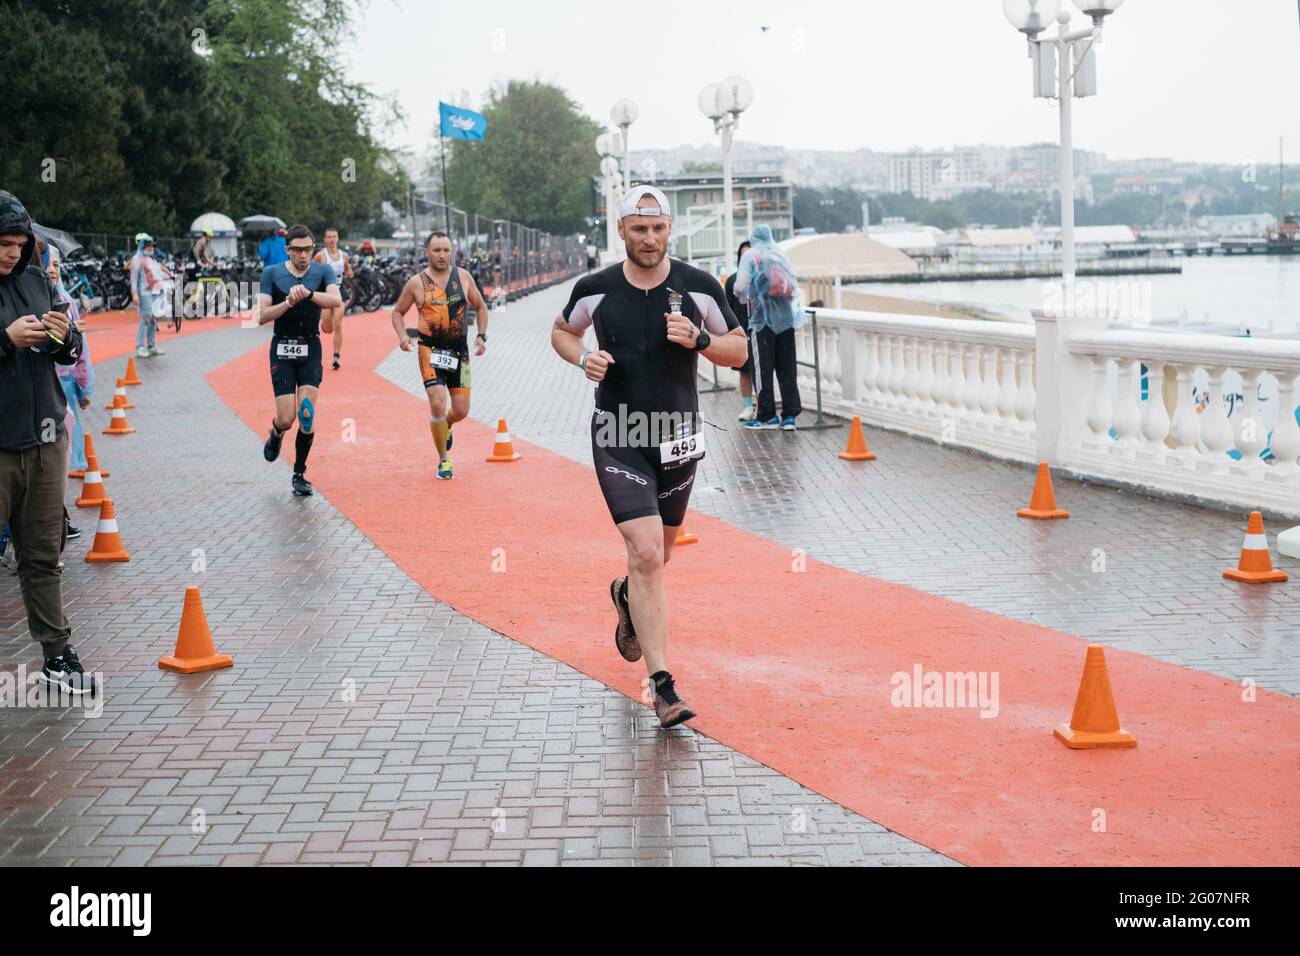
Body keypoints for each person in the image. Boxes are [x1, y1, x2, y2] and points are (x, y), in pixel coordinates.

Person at [550, 185, 747, 729]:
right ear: (621, 231)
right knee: (644, 551)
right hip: (619, 432)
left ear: (670, 230)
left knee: (655, 559)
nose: (650, 238)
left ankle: (625, 597)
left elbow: (740, 350)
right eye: (639, 229)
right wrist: (583, 358)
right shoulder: (596, 288)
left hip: (678, 436)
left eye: (658, 228)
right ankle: (663, 686)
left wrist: (701, 342)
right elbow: (563, 331)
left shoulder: (699, 287)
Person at [0, 190, 94, 694]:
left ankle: (57, 656)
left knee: (41, 554)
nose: (12, 253)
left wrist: (65, 338)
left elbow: (68, 352)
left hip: (45, 438)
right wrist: (4, 338)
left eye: (18, 243)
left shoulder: (39, 281)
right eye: (2, 243)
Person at [390, 231, 491, 480]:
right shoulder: (416, 283)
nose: (442, 255)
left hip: (459, 351)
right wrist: (403, 336)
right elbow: (397, 313)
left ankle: (446, 424)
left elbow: (480, 306)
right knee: (437, 403)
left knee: (461, 411)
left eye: (446, 250)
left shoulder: (464, 277)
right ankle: (444, 460)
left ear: (452, 252)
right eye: (437, 250)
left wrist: (482, 334)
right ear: (427, 252)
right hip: (429, 351)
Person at [256, 225, 342, 496]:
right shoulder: (271, 273)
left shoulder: (322, 271)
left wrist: (309, 294)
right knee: (287, 417)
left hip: (310, 347)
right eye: (298, 250)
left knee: (306, 413)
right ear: (288, 250)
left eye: (308, 249)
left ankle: (299, 473)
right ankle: (276, 433)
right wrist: (288, 303)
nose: (304, 255)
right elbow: (260, 316)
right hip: (282, 348)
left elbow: (336, 299)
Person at [736, 224, 803, 431]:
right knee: (787, 369)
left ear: (753, 238)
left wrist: (744, 296)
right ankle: (790, 416)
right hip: (786, 320)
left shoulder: (751, 256)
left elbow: (740, 288)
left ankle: (767, 416)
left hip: (761, 321)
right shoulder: (780, 254)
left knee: (761, 370)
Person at [723, 240, 756, 421]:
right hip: (742, 332)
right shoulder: (732, 281)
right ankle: (747, 406)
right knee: (745, 370)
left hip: (760, 331)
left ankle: (763, 405)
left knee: (761, 370)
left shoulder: (762, 277)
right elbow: (727, 309)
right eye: (743, 255)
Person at [314, 228, 352, 370]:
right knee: (328, 328)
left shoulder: (344, 255)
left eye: (334, 236)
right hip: (324, 292)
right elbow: (310, 270)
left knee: (338, 324)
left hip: (339, 291)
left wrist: (349, 271)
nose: (332, 239)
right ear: (325, 239)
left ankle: (336, 356)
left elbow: (347, 269)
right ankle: (325, 325)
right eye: (329, 237)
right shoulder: (320, 256)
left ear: (338, 238)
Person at [128, 234, 170, 359]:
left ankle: (151, 345)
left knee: (153, 320)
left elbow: (158, 273)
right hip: (144, 293)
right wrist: (134, 294)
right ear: (143, 246)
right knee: (145, 319)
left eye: (152, 245)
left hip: (155, 293)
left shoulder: (151, 259)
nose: (151, 247)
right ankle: (139, 347)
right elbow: (133, 279)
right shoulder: (137, 259)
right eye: (149, 245)